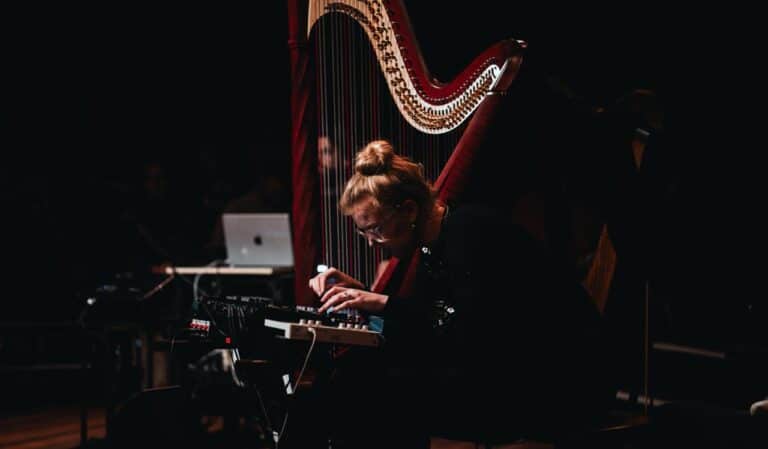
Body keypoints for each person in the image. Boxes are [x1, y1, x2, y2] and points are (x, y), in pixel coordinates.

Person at [307, 140, 613, 447]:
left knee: (375, 392)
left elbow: (468, 334)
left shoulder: (470, 233)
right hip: (513, 376)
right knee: (361, 381)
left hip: (559, 386)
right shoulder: (432, 244)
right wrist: (363, 296)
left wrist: (382, 303)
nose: (372, 242)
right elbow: (429, 318)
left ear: (410, 210)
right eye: (364, 233)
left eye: (374, 229)